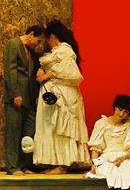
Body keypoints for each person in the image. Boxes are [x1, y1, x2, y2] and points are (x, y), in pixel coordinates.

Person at [32, 19, 90, 174]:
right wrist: (41, 71)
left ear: (52, 36)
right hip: (53, 92)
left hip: (62, 94)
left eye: (47, 38)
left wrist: (47, 75)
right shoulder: (55, 52)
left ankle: (63, 163)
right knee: (51, 128)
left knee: (61, 128)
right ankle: (55, 162)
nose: (46, 42)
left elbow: (69, 70)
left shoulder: (65, 49)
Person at [3, 25, 44, 175]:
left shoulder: (31, 52)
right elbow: (10, 70)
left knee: (28, 131)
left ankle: (23, 165)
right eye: (37, 40)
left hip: (29, 96)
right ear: (31, 34)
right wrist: (14, 93)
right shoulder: (14, 44)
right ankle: (12, 167)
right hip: (17, 95)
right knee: (14, 131)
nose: (38, 44)